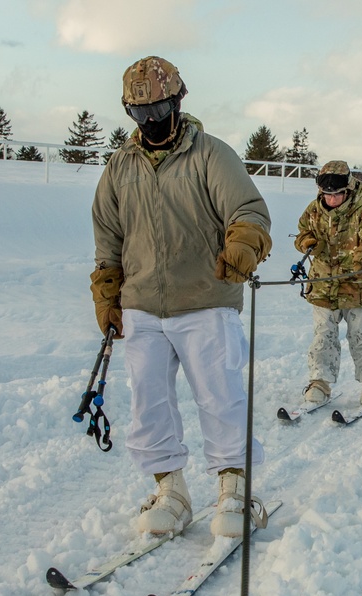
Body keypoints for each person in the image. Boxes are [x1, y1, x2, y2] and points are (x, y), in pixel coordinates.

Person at [91, 56, 272, 538]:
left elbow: (248, 209)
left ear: (177, 101)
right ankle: (170, 489)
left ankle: (235, 488)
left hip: (205, 298)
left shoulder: (211, 154)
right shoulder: (120, 166)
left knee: (220, 397)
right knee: (148, 403)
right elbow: (108, 237)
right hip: (143, 304)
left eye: (158, 110)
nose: (150, 123)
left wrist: (242, 244)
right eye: (139, 114)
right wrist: (108, 292)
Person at [293, 160, 362, 408]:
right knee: (323, 336)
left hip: (357, 286)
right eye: (327, 194)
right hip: (323, 286)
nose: (331, 199)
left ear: (346, 189)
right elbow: (302, 231)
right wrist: (307, 242)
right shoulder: (313, 210)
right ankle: (320, 382)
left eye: (336, 194)